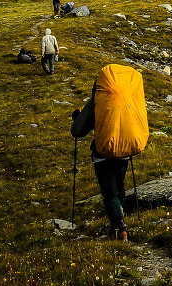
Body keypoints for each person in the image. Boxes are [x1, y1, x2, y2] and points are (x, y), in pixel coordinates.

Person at [71, 85, 131, 241]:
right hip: (124, 151)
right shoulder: (127, 99)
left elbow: (78, 131)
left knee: (109, 192)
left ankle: (120, 228)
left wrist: (78, 118)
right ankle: (120, 221)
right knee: (119, 187)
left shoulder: (96, 101)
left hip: (103, 154)